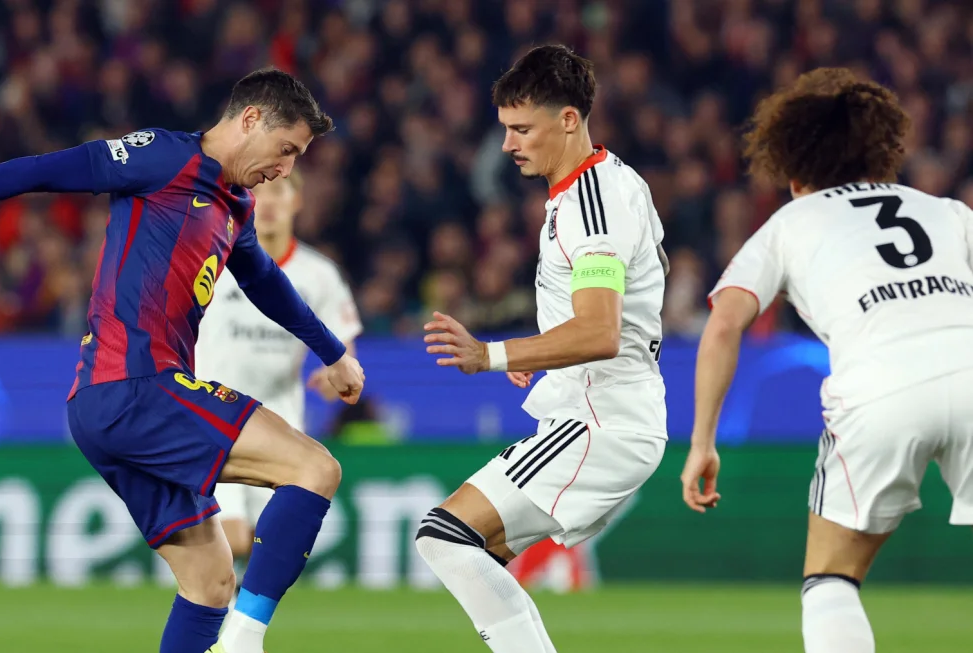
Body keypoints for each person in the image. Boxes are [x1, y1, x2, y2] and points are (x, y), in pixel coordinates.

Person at [0, 68, 365, 653]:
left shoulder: (236, 205)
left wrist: (333, 353)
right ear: (251, 119)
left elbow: (265, 283)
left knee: (210, 583)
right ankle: (244, 643)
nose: (286, 169)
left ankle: (230, 635)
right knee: (315, 469)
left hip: (111, 405)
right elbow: (47, 169)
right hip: (135, 386)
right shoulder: (161, 156)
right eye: (286, 150)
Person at [681, 67, 973, 653]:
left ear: (793, 172)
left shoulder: (789, 222)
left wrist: (701, 442)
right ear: (879, 153)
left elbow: (723, 324)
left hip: (880, 391)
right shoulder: (945, 210)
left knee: (831, 580)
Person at [415, 45, 670, 653]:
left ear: (569, 120)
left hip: (599, 422)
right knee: (476, 554)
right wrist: (542, 361)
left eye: (521, 128)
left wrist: (494, 355)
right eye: (505, 128)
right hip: (599, 411)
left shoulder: (591, 207)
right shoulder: (604, 183)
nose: (508, 144)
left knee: (443, 534)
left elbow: (601, 332)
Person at [194, 171, 362, 582]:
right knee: (232, 539)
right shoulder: (214, 260)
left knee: (260, 541)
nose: (266, 202)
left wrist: (332, 375)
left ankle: (235, 635)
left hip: (279, 422)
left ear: (297, 201)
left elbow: (345, 352)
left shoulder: (319, 275)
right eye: (257, 192)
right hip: (211, 417)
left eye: (278, 191)